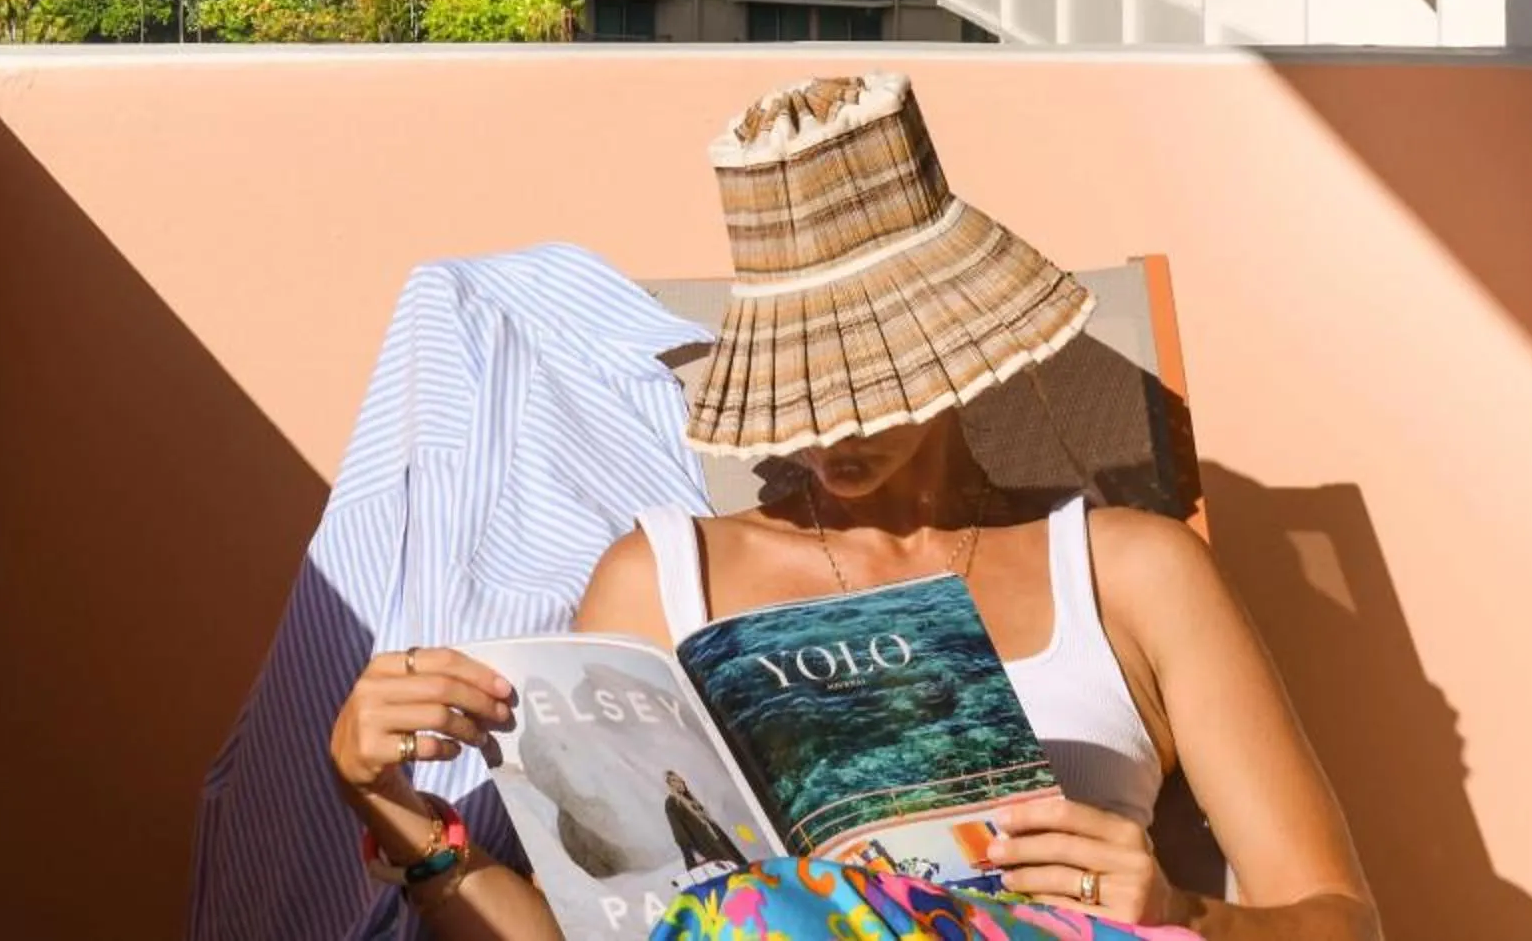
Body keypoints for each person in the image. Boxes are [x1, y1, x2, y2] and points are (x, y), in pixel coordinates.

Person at [328, 73, 1381, 940]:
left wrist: (1183, 909)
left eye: (867, 376)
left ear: (951, 343)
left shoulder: (1130, 569)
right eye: (798, 381)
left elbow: (1341, 919)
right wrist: (401, 815)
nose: (827, 424)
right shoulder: (661, 578)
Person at [658, 770, 735, 875]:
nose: (679, 782)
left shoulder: (690, 799)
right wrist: (693, 853)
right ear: (669, 785)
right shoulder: (672, 803)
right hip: (703, 849)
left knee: (734, 871)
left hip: (717, 843)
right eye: (673, 781)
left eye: (679, 779)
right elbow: (678, 831)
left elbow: (707, 823)